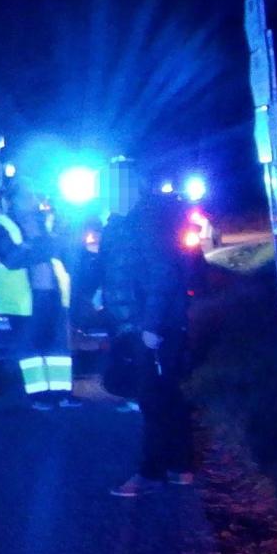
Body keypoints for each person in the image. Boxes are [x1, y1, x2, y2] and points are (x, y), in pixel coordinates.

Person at [92, 190, 195, 496]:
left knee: (152, 398)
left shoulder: (144, 222)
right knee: (165, 393)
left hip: (152, 327)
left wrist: (151, 326)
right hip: (141, 324)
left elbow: (163, 273)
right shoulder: (122, 224)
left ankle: (152, 472)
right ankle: (180, 466)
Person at [0, 188, 78, 409]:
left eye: (35, 195)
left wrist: (34, 247)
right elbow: (11, 260)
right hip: (22, 299)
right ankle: (39, 396)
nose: (34, 200)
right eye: (27, 196)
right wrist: (39, 247)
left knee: (58, 348)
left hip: (53, 294)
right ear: (13, 201)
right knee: (31, 349)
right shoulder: (2, 225)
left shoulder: (46, 221)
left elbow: (61, 248)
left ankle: (62, 393)